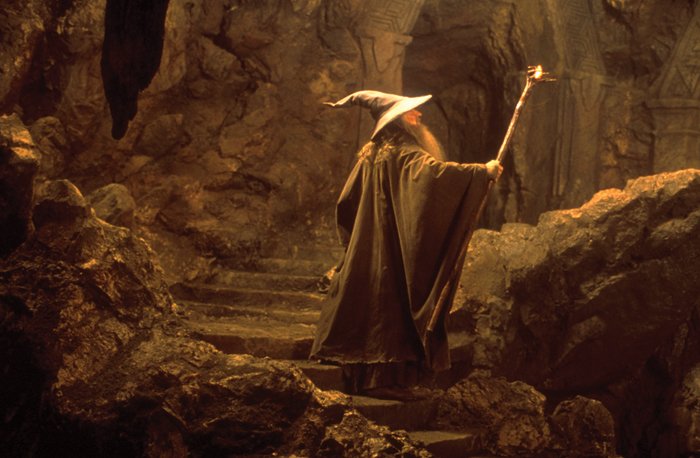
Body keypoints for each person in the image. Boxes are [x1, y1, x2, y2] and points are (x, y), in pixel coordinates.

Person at [310, 90, 502, 397]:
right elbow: (432, 178)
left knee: (373, 305)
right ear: (399, 120)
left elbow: (346, 202)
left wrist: (358, 240)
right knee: (389, 306)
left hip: (369, 249)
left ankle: (367, 376)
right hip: (390, 253)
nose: (419, 115)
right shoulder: (405, 152)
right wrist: (481, 173)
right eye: (412, 112)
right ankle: (383, 381)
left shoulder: (370, 155)